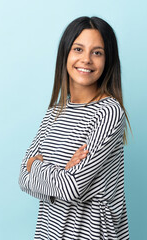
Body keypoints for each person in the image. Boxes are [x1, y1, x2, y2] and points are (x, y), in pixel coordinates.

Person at [18, 16, 131, 240]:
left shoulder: (108, 112)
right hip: (50, 231)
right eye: (78, 49)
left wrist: (37, 166)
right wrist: (63, 173)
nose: (86, 59)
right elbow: (23, 178)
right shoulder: (54, 112)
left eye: (97, 52)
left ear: (108, 60)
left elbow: (72, 187)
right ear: (66, 54)